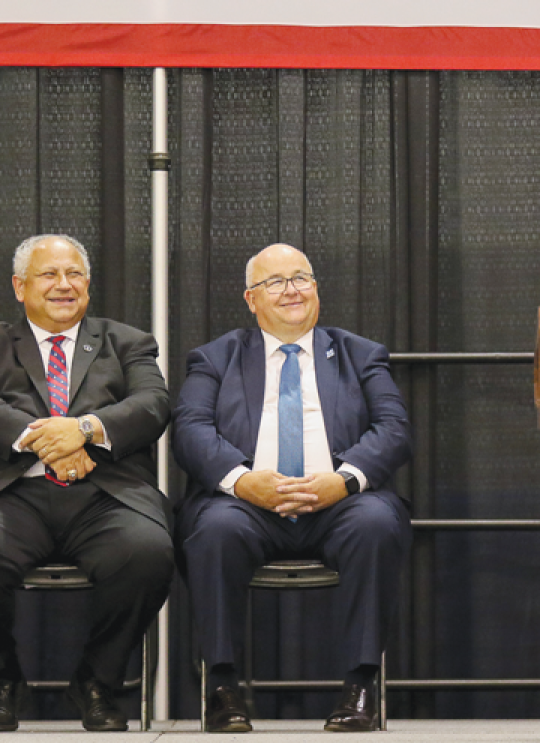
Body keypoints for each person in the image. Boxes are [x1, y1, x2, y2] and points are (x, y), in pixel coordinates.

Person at [0, 234, 173, 732]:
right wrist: (46, 441)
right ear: (20, 287)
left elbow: (152, 405)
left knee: (148, 551)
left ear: (88, 284)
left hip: (104, 496)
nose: (63, 285)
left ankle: (97, 682)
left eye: (74, 275)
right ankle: (2, 679)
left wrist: (82, 430)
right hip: (10, 493)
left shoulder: (126, 341)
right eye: (49, 275)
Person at [172, 243, 413, 733]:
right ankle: (222, 689)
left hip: (339, 503)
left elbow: (394, 429)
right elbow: (190, 431)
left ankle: (360, 686)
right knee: (214, 529)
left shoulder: (360, 353)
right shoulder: (215, 358)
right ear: (251, 298)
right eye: (275, 282)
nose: (291, 290)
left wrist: (343, 481)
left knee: (375, 523)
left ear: (316, 289)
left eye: (301, 278)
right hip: (246, 505)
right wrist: (243, 482)